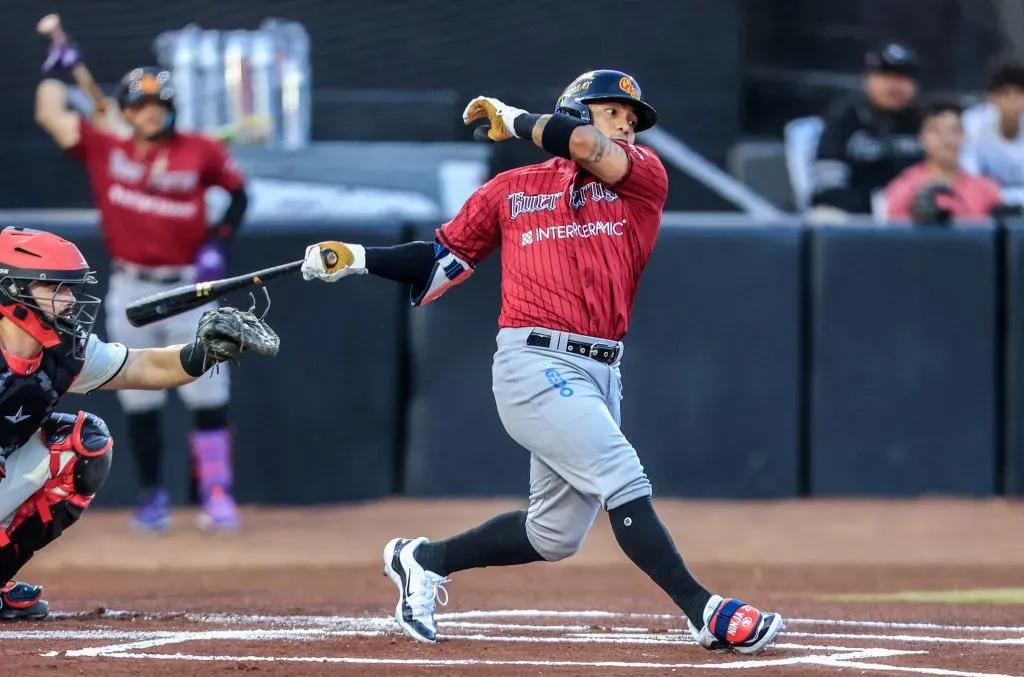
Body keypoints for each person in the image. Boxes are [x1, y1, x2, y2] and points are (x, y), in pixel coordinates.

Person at [299, 69, 784, 656]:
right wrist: (354, 257)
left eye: (631, 120)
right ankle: (703, 610)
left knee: (552, 535)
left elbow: (584, 146)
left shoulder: (642, 177)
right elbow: (438, 262)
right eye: (614, 114)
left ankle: (422, 559)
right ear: (577, 110)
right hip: (533, 363)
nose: (627, 126)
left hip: (603, 369)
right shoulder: (512, 188)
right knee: (621, 474)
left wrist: (516, 121)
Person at [0, 227, 277, 620]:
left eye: (70, 289)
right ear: (11, 291)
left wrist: (203, 353)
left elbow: (141, 365)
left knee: (83, 445)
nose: (68, 301)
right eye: (54, 289)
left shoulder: (63, 354)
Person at [34, 50, 250, 533]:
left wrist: (219, 242)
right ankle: (153, 497)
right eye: (139, 105)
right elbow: (49, 113)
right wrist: (54, 68)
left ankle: (217, 494)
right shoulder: (107, 147)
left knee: (209, 391)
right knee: (139, 396)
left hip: (190, 287)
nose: (150, 111)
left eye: (158, 103)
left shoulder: (201, 149)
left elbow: (239, 193)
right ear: (125, 111)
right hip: (131, 284)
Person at [810, 41, 925, 220]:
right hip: (856, 217)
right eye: (886, 76)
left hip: (915, 217)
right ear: (868, 79)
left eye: (903, 77)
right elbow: (827, 187)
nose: (895, 85)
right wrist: (877, 206)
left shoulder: (924, 121)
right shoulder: (845, 118)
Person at [884, 99, 1002, 223]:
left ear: (963, 135)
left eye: (954, 130)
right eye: (937, 131)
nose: (947, 139)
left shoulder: (986, 190)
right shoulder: (904, 189)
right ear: (922, 137)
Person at [961, 60, 1024, 202]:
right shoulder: (973, 123)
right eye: (1005, 94)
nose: (1013, 100)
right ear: (991, 98)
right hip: (982, 203)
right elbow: (967, 175)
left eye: (1020, 93)